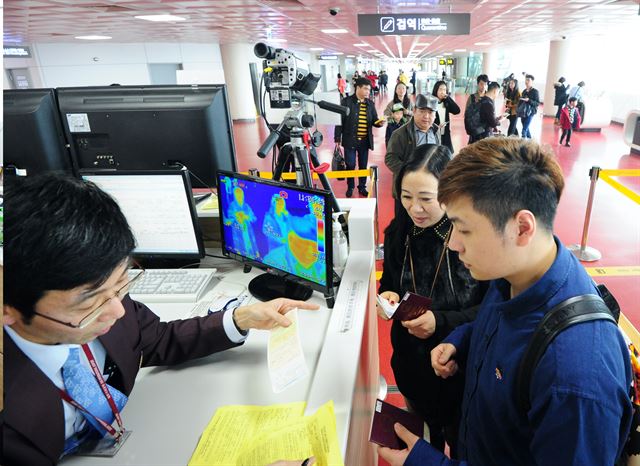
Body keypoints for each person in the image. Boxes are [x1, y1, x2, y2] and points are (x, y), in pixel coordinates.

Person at [2, 174, 320, 465]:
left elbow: (157, 339)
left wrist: (239, 318)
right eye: (91, 300)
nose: (118, 311)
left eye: (121, 283)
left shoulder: (106, 302)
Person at [378, 137, 632, 466]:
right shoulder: (510, 273)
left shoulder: (574, 377)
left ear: (521, 228)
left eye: (463, 229)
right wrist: (459, 340)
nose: (453, 244)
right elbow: (490, 322)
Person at [377, 144, 486, 457]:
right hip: (412, 367)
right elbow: (389, 282)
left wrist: (439, 321)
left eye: (426, 198)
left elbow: (491, 311)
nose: (415, 209)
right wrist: (388, 295)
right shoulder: (399, 232)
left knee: (463, 447)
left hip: (458, 372)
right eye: (407, 196)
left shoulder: (469, 238)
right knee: (424, 441)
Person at [386, 94, 440, 215]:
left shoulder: (436, 132)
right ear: (414, 110)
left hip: (429, 190)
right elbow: (390, 158)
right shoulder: (400, 134)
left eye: (431, 112)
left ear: (435, 115)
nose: (426, 116)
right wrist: (409, 173)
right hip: (407, 190)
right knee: (403, 226)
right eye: (422, 111)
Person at [334, 77, 383, 198]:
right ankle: (350, 186)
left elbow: (374, 120)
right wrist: (337, 138)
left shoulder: (370, 104)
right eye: (366, 89)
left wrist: (379, 123)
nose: (368, 91)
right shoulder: (346, 102)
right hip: (350, 139)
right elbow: (339, 121)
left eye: (369, 89)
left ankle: (362, 187)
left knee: (363, 165)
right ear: (358, 88)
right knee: (350, 165)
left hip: (364, 141)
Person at [431, 80, 461, 153]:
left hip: (445, 133)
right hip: (434, 133)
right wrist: (436, 126)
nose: (442, 92)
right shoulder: (431, 102)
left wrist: (448, 98)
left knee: (446, 155)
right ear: (436, 90)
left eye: (444, 90)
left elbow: (457, 111)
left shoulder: (446, 102)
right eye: (440, 89)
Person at [519, 74, 540, 139]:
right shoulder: (524, 91)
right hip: (523, 112)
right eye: (526, 80)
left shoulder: (535, 91)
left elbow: (537, 103)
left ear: (532, 82)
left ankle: (523, 141)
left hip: (531, 112)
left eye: (528, 80)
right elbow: (521, 101)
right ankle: (530, 140)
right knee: (526, 127)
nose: (526, 81)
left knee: (524, 130)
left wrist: (529, 100)